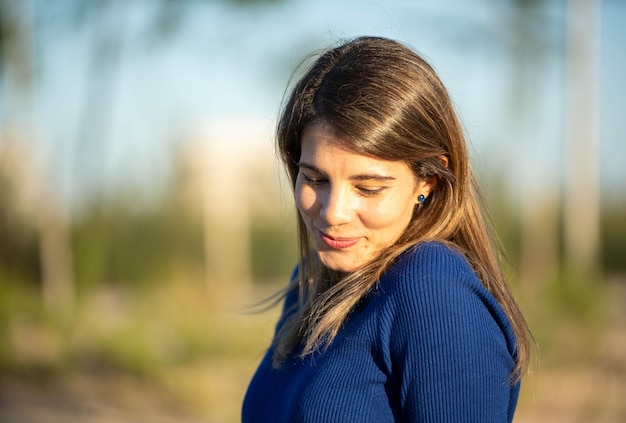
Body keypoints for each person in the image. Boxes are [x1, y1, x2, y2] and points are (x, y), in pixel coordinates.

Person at [242, 36, 533, 422]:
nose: (334, 213)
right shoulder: (311, 279)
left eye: (368, 188)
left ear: (427, 181)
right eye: (315, 179)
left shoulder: (432, 290)